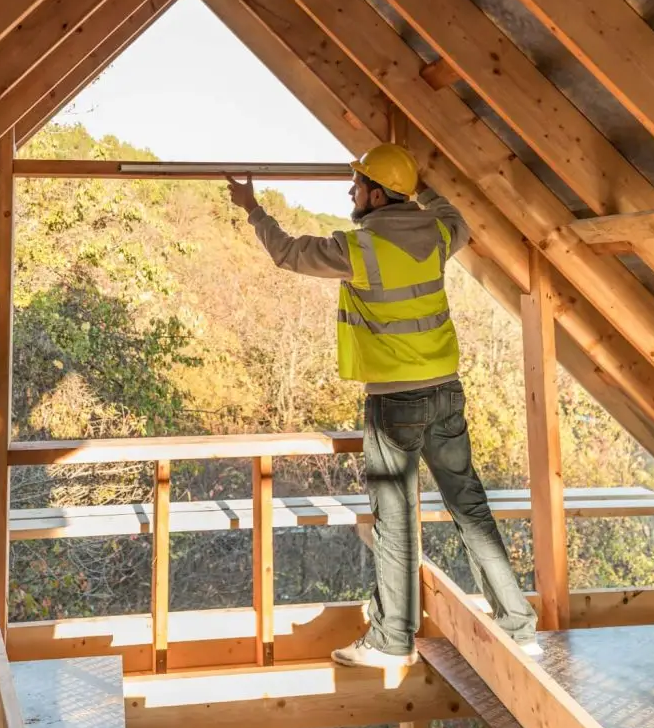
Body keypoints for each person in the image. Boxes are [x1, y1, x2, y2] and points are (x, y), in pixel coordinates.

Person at [226, 143, 538, 668]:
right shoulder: (438, 235)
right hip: (446, 391)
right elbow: (453, 216)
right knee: (470, 506)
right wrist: (423, 187)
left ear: (374, 193)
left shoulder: (360, 248)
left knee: (395, 519)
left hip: (395, 401)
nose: (350, 192)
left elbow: (286, 252)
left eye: (356, 184)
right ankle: (520, 627)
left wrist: (253, 209)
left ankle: (393, 640)